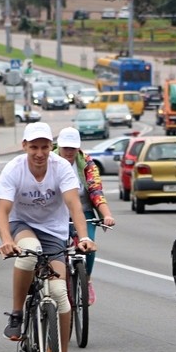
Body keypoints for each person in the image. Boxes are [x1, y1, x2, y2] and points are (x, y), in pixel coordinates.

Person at [0, 122, 96, 352]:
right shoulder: (15, 168)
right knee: (29, 255)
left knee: (60, 294)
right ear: (25, 146)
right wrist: (6, 241)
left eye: (45, 147)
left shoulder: (61, 167)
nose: (39, 153)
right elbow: (2, 211)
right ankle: (16, 314)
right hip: (21, 224)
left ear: (52, 147)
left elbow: (74, 204)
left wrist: (84, 237)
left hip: (54, 231)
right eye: (34, 147)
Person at [55, 127, 116, 305]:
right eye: (65, 148)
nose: (68, 152)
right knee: (55, 249)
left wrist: (107, 215)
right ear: (59, 146)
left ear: (78, 148)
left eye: (72, 148)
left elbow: (96, 190)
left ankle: (86, 279)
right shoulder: (50, 161)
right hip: (56, 212)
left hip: (83, 211)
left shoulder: (86, 163)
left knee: (88, 245)